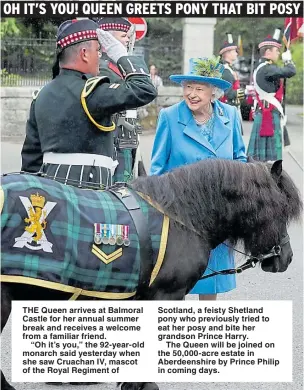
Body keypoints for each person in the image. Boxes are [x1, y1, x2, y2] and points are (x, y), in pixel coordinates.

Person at [150, 56, 247, 301]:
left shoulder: (232, 115)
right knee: (176, 282)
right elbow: (157, 169)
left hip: (218, 214)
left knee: (210, 283)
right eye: (188, 87)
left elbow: (240, 160)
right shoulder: (170, 117)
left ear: (213, 92)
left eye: (199, 89)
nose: (191, 94)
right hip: (182, 216)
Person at [21, 18, 157, 188]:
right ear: (85, 54)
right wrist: (122, 56)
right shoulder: (91, 91)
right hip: (89, 190)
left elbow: (31, 159)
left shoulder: (41, 95)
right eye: (98, 50)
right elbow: (146, 90)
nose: (100, 56)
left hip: (51, 190)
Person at [97, 17, 145, 183]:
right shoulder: (101, 68)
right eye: (123, 36)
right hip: (112, 139)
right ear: (108, 40)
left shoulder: (120, 65)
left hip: (126, 138)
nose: (127, 40)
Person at [247, 28, 296, 161]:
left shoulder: (262, 66)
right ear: (268, 52)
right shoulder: (267, 68)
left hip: (266, 112)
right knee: (269, 160)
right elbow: (291, 71)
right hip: (268, 113)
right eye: (276, 51)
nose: (279, 53)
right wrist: (288, 60)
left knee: (262, 158)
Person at [219, 33, 245, 108]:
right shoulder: (226, 70)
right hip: (228, 106)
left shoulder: (229, 68)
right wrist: (241, 92)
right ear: (227, 53)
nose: (236, 54)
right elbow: (227, 93)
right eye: (234, 51)